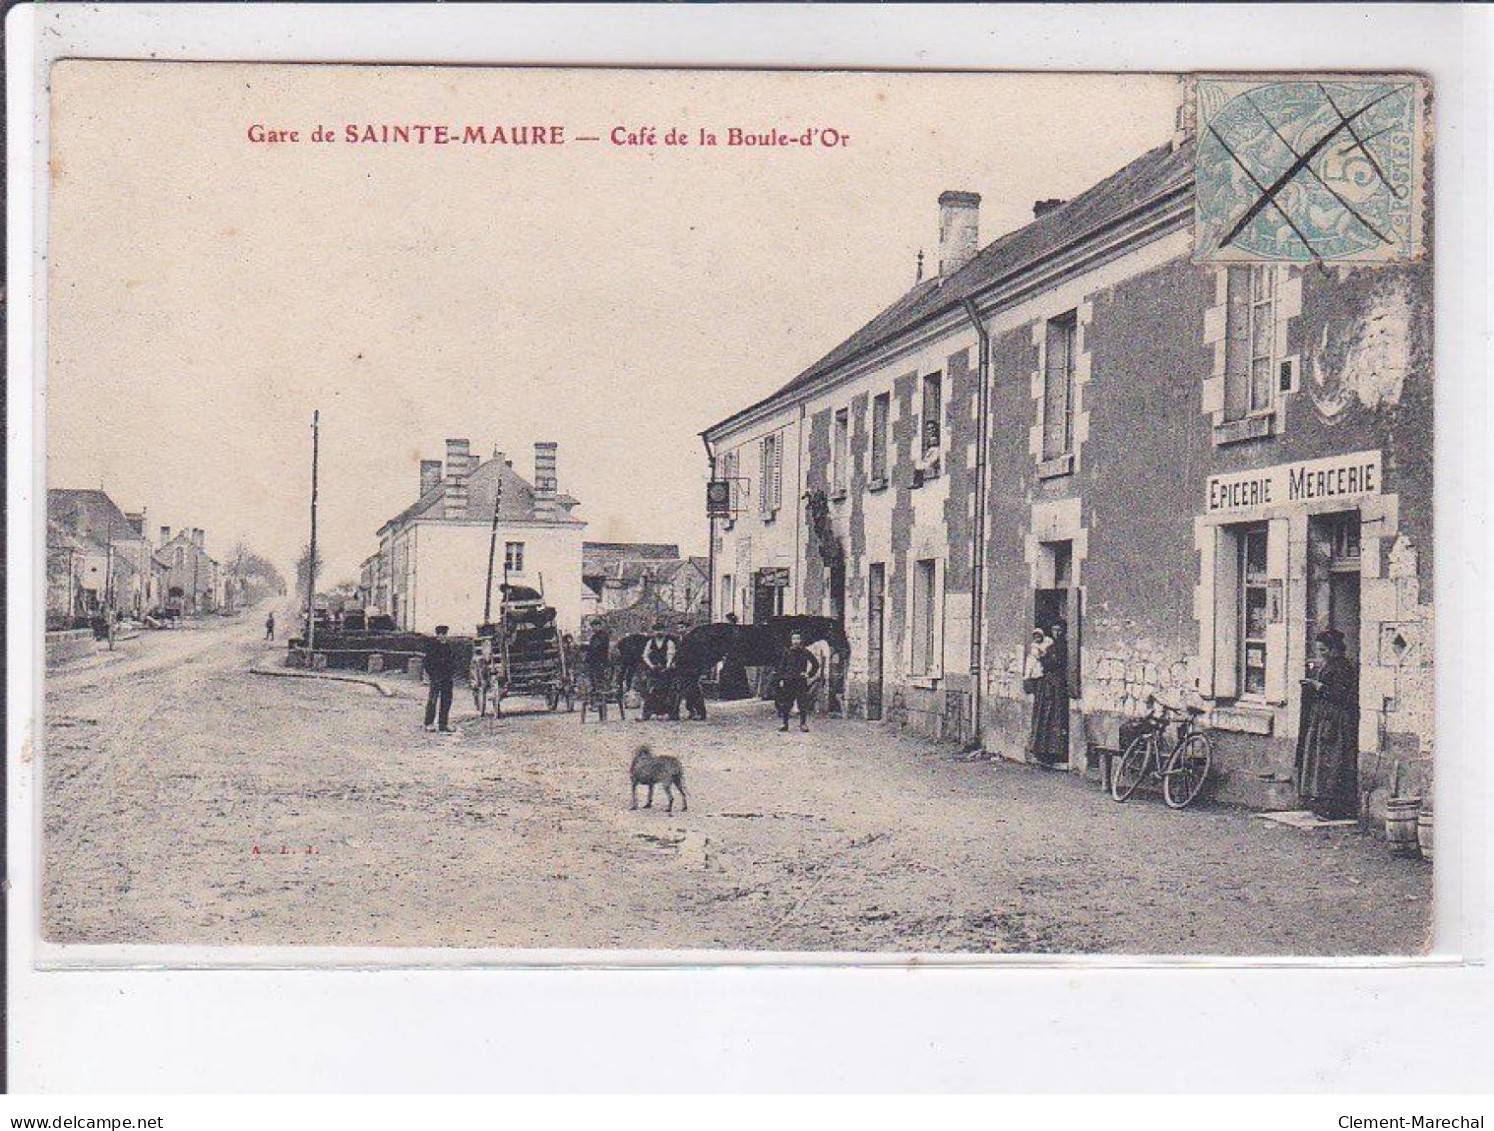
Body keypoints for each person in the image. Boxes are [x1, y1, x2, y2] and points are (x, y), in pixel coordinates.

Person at [1296, 629, 1359, 819]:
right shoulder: (1328, 665)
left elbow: (1340, 694)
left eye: (1323, 650)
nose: (1321, 654)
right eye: (1319, 650)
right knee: (1320, 761)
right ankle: (1320, 804)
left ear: (1334, 649)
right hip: (1323, 716)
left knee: (1332, 761)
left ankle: (1334, 807)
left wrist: (1319, 686)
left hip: (1335, 719)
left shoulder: (1343, 667)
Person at [1026, 619, 1070, 767]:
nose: (1056, 633)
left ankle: (1055, 752)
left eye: (1059, 630)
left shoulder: (1063, 646)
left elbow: (1056, 663)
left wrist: (1044, 659)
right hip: (1046, 684)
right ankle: (1042, 751)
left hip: (1057, 685)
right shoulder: (1050, 645)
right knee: (1044, 716)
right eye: (1054, 630)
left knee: (1055, 716)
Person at [773, 631, 821, 732]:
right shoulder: (787, 652)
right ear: (791, 640)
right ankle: (785, 724)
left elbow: (815, 664)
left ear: (801, 640)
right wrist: (781, 678)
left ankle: (803, 724)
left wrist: (808, 674)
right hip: (788, 681)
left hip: (800, 681)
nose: (796, 641)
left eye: (798, 639)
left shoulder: (805, 652)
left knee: (802, 703)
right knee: (786, 703)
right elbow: (782, 667)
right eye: (794, 639)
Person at [639, 622, 679, 721]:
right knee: (651, 691)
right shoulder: (650, 642)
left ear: (665, 631)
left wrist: (667, 667)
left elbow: (670, 655)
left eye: (661, 630)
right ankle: (646, 714)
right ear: (653, 631)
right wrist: (651, 665)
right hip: (654, 669)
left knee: (666, 691)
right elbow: (645, 655)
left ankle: (667, 713)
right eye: (656, 630)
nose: (658, 632)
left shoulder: (669, 642)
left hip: (666, 670)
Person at [423, 624, 457, 734]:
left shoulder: (448, 646)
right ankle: (429, 723)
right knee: (433, 699)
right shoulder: (432, 646)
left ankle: (443, 724)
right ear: (437, 635)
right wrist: (432, 674)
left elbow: (452, 661)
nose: (442, 637)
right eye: (440, 634)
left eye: (444, 634)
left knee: (446, 700)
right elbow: (427, 662)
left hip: (447, 677)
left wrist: (451, 672)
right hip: (436, 676)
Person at [716, 613, 752, 700]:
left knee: (728, 673)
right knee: (737, 673)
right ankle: (740, 694)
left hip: (732, 655)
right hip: (737, 655)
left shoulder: (729, 631)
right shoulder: (739, 630)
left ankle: (729, 695)